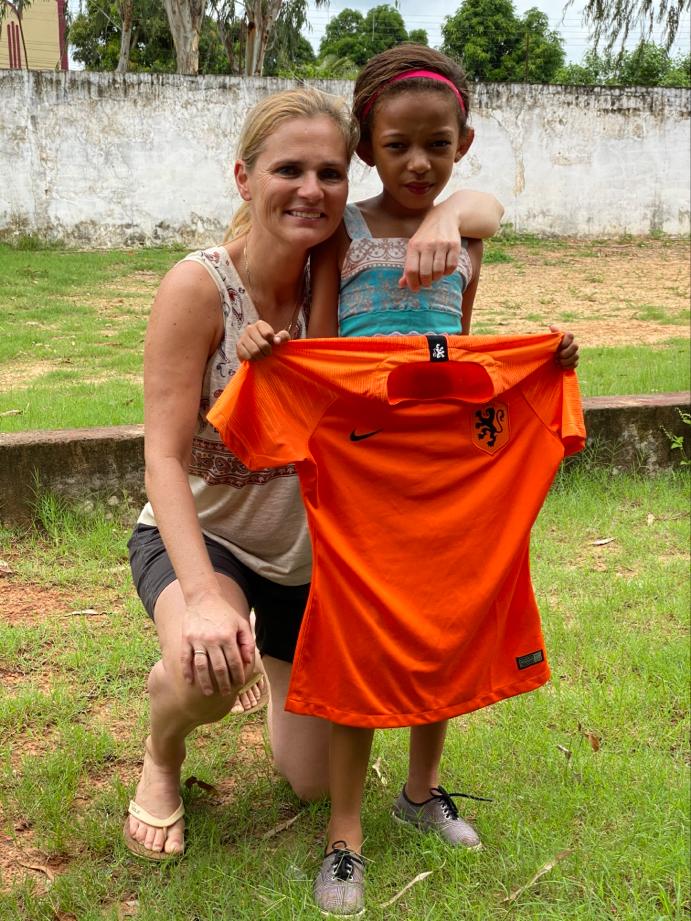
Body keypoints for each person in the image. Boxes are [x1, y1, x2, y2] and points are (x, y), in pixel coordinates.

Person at [235, 46, 578, 916]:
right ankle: (344, 833)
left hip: (447, 467)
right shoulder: (341, 234)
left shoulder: (466, 233)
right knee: (358, 636)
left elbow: (460, 347)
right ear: (366, 148)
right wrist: (273, 355)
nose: (418, 162)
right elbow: (321, 351)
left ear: (463, 144)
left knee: (447, 620)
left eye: (437, 145)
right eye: (397, 146)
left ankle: (421, 793)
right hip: (363, 471)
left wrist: (544, 359)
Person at [124, 84, 505, 862]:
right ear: (244, 178)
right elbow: (161, 456)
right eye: (288, 170)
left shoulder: (350, 283)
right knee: (204, 672)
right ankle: (163, 751)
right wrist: (204, 599)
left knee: (309, 783)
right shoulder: (201, 287)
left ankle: (264, 652)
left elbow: (478, 210)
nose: (310, 189)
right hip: (213, 538)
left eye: (329, 173)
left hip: (312, 561)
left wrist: (443, 214)